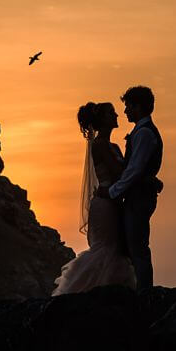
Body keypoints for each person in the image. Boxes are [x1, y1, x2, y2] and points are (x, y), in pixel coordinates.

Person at [51, 102, 136, 295]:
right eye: (111, 113)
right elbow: (118, 174)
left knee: (115, 248)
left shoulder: (113, 146)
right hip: (105, 205)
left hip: (114, 202)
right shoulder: (99, 145)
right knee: (106, 248)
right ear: (102, 120)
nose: (116, 115)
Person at [98, 85, 163, 290]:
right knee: (132, 246)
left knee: (138, 248)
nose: (125, 111)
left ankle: (145, 294)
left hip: (139, 197)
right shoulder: (141, 132)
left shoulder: (144, 133)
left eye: (128, 107)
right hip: (137, 196)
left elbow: (134, 170)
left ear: (138, 107)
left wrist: (112, 192)